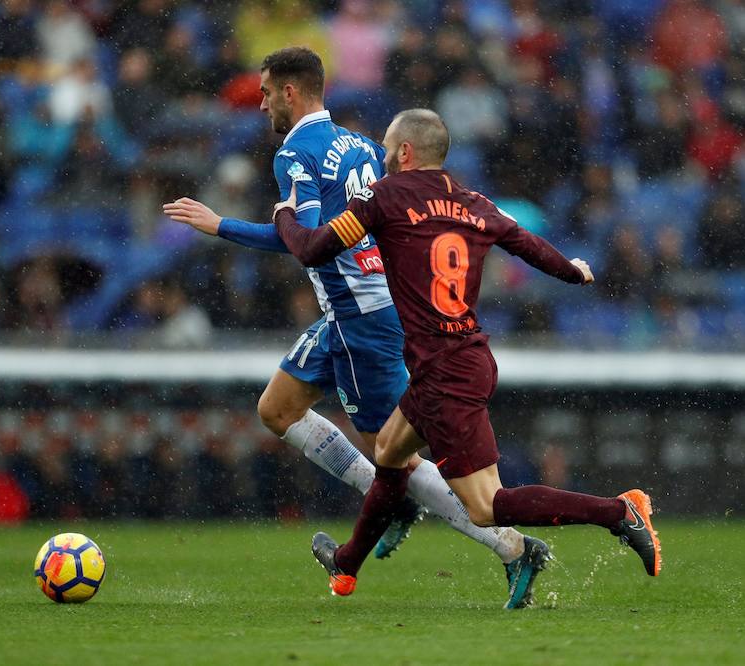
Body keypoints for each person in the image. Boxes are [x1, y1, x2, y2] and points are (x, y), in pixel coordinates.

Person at [164, 47, 548, 608]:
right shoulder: (363, 145)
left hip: (359, 318)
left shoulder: (294, 152)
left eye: (267, 92)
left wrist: (220, 225)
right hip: (359, 308)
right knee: (277, 409)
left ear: (291, 93)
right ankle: (386, 498)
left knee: (396, 457)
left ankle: (511, 547)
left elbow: (306, 242)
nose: (263, 103)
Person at [271, 108, 662, 598]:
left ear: (406, 152)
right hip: (462, 355)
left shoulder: (383, 196)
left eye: (389, 151)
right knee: (389, 453)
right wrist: (573, 271)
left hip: (445, 372)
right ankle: (347, 564)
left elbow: (312, 249)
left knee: (487, 506)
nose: (384, 159)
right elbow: (526, 244)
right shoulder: (474, 203)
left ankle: (618, 512)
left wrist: (285, 213)